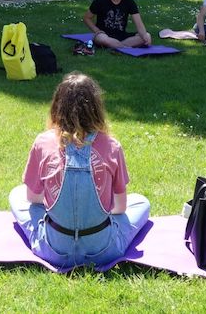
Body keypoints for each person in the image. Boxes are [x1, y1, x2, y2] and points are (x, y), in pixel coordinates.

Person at [9, 72, 150, 268]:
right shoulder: (112, 146)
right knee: (142, 202)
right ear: (97, 108)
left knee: (17, 195)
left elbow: (33, 198)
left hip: (54, 249)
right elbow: (120, 208)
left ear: (57, 106)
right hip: (104, 250)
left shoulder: (43, 142)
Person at [82, 0, 153, 49]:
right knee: (102, 38)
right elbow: (87, 18)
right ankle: (123, 48)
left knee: (146, 35)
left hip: (122, 36)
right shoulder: (100, 1)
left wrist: (145, 36)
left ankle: (117, 47)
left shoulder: (129, 2)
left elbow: (139, 24)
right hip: (104, 36)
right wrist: (97, 31)